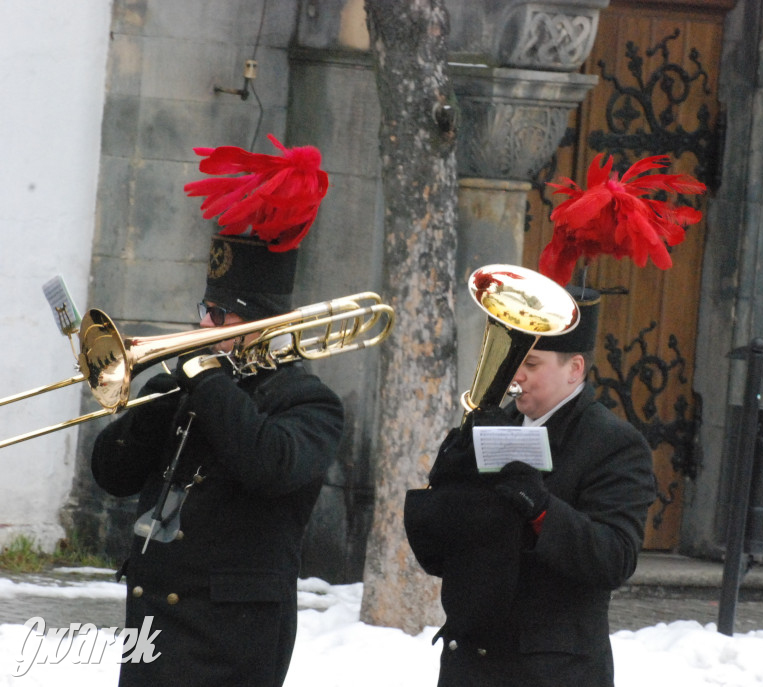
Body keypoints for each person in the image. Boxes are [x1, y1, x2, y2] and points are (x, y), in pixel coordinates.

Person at [91, 137, 344, 686]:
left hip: (232, 642)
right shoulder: (187, 387)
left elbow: (268, 463)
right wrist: (159, 398)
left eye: (223, 315)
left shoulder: (308, 400)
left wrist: (203, 379)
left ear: (263, 323)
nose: (205, 325)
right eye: (206, 309)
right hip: (152, 630)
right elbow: (112, 473)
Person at [405, 286, 656, 687]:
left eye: (532, 364)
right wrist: (453, 471)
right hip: (470, 663)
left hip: (550, 671)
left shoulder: (614, 443)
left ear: (574, 369)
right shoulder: (495, 423)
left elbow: (614, 558)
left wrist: (538, 505)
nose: (515, 374)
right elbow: (439, 551)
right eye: (515, 359)